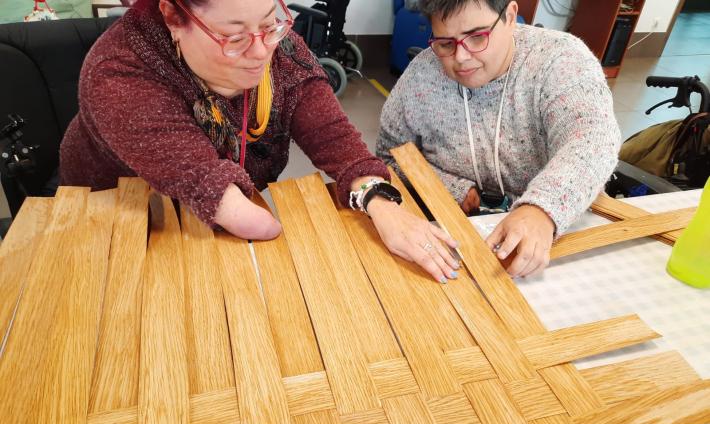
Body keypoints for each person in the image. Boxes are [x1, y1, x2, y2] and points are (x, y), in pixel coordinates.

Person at [59, 0, 460, 282]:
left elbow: (334, 139)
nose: (261, 51)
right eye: (233, 37)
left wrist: (379, 200)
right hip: (122, 229)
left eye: (270, 22)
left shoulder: (278, 46)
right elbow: (244, 215)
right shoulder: (120, 73)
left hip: (214, 227)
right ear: (172, 16)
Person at [376, 0, 621, 278]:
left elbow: (594, 139)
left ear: (510, 16)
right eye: (446, 44)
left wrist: (542, 209)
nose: (461, 58)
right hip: (457, 237)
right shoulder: (421, 75)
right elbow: (388, 158)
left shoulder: (559, 59)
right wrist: (454, 189)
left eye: (478, 37)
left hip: (559, 231)